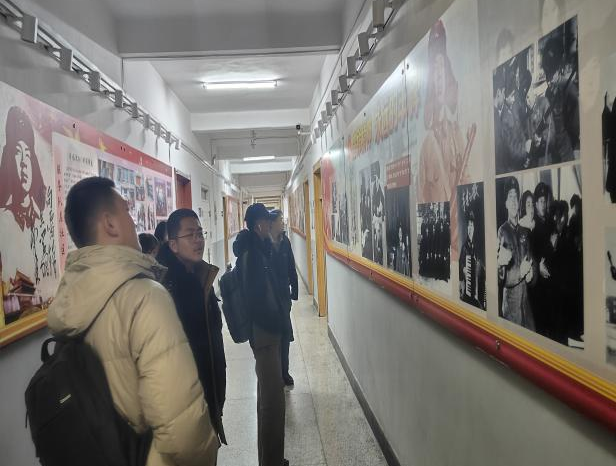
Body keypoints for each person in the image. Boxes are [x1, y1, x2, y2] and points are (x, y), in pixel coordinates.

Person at [47, 177, 218, 466]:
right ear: (110, 224)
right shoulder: (145, 296)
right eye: (126, 211)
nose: (133, 220)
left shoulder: (70, 296)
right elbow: (184, 433)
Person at [156, 209, 227, 445]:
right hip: (186, 404)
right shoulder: (164, 289)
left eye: (200, 233)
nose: (198, 240)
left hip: (209, 392)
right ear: (173, 245)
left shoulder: (201, 275)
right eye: (190, 235)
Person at [233, 203, 289, 466]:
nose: (271, 225)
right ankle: (271, 461)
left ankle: (270, 458)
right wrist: (277, 322)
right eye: (267, 222)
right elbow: (257, 302)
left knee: (268, 399)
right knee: (272, 404)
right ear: (258, 225)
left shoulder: (257, 249)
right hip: (265, 335)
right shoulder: (252, 256)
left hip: (266, 334)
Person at [418, 20, 476, 259]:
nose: (439, 76)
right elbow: (422, 199)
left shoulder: (457, 135)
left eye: (442, 67)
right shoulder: (427, 146)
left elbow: (469, 186)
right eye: (434, 69)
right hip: (439, 250)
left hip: (460, 244)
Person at [497, 177, 536, 330]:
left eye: (515, 197)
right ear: (506, 203)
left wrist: (532, 275)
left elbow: (531, 261)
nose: (513, 201)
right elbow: (501, 278)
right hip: (511, 312)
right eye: (510, 197)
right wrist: (520, 272)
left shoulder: (524, 231)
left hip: (526, 307)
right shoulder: (502, 231)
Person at [0, 106, 46, 232]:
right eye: (17, 153)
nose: (23, 164)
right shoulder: (5, 216)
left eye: (27, 155)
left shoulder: (40, 213)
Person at [269, 210, 299, 386]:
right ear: (272, 223)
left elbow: (291, 266)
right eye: (280, 220)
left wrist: (294, 290)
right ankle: (274, 372)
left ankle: (284, 372)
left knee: (285, 334)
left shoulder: (285, 241)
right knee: (274, 336)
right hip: (270, 296)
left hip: (283, 294)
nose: (283, 222)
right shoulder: (265, 243)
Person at [459, 212, 485, 309]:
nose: (470, 228)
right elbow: (461, 262)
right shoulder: (465, 247)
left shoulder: (478, 246)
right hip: (468, 286)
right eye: (469, 226)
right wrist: (463, 269)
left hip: (479, 288)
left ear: (475, 228)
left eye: (472, 226)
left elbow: (482, 264)